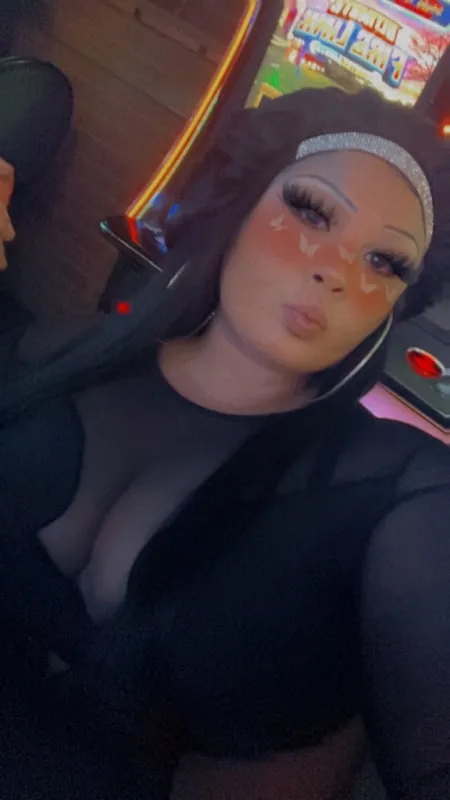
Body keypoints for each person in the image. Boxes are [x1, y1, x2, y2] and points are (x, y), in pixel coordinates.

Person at [0, 86, 449, 800]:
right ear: (239, 204)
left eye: (387, 262)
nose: (337, 270)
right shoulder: (60, 351)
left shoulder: (402, 496)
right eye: (311, 210)